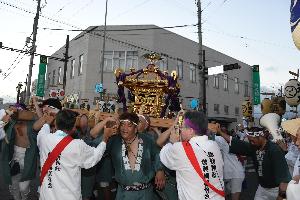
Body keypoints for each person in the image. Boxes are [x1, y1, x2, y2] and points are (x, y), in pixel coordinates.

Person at [37, 109, 116, 200]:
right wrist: (105, 138)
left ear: (55, 124)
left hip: (47, 196)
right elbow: (95, 157)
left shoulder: (44, 139)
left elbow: (43, 129)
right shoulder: (77, 145)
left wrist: (48, 122)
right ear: (74, 127)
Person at [95, 112, 163, 200]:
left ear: (136, 128)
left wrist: (160, 170)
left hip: (145, 194)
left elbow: (157, 154)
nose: (124, 128)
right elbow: (95, 146)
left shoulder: (147, 140)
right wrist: (105, 135)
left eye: (129, 125)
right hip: (123, 194)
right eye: (122, 124)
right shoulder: (114, 141)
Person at [160, 110, 225, 200]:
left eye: (182, 127)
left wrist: (172, 142)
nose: (180, 130)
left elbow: (164, 155)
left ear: (190, 130)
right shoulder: (214, 145)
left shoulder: (181, 149)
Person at [218, 126, 291, 200]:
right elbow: (237, 142)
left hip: (276, 190)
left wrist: (281, 197)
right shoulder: (254, 147)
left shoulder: (274, 150)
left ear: (260, 137)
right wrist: (220, 132)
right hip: (262, 188)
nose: (251, 143)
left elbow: (284, 180)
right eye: (250, 141)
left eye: (252, 140)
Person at [214, 127, 245, 200]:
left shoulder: (222, 140)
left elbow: (209, 135)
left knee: (233, 197)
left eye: (224, 131)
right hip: (230, 173)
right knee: (225, 194)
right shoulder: (234, 141)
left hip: (236, 174)